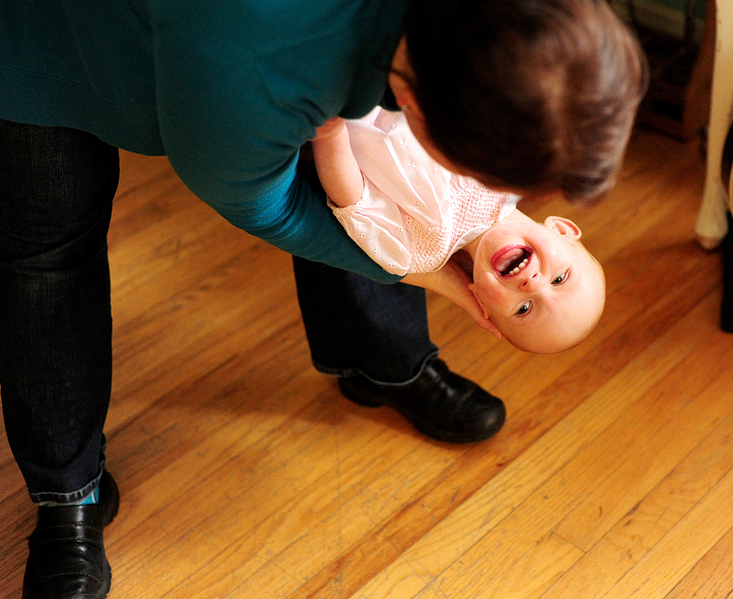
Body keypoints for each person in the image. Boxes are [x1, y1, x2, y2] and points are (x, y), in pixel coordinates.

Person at [0, 1, 645, 598]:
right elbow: (274, 201)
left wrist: (419, 263)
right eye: (481, 168)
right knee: (45, 252)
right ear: (415, 106)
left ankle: (381, 361)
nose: (535, 283)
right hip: (55, 37)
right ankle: (68, 492)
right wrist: (411, 268)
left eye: (528, 306)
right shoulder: (264, 74)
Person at [313, 107, 607, 353]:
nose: (533, 284)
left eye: (523, 309)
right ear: (562, 229)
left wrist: (330, 134)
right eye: (559, 278)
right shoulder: (513, 168)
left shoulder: (412, 255)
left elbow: (354, 198)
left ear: (480, 300)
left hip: (341, 107)